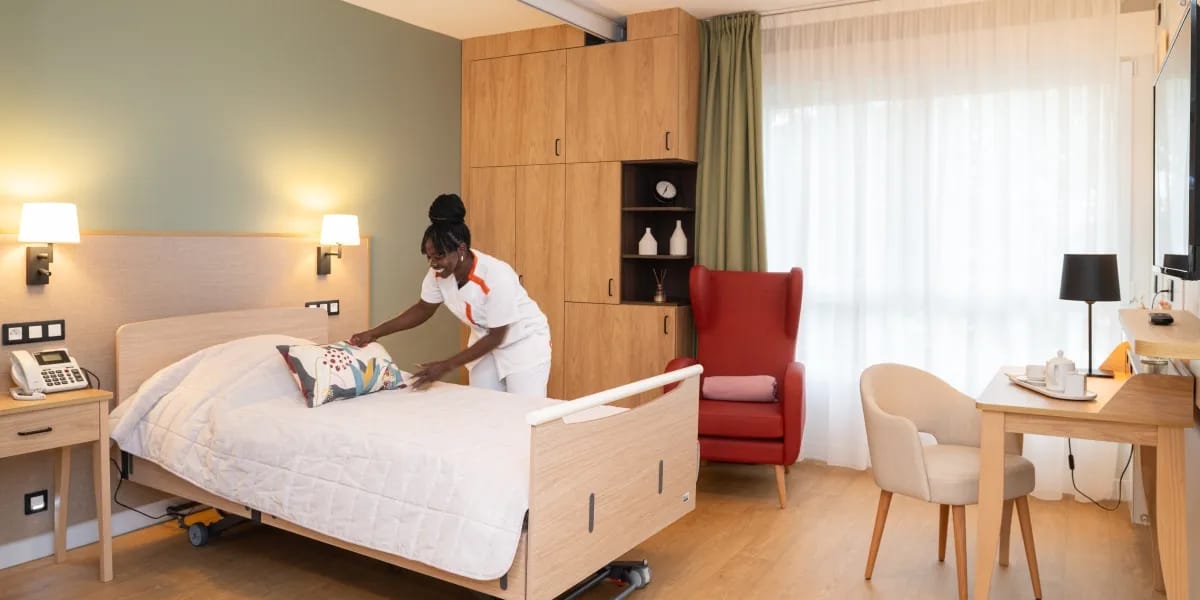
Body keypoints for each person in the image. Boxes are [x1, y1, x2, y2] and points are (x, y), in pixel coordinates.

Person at [349, 194, 552, 395]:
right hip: (484, 341)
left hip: (523, 341)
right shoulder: (438, 274)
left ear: (461, 249)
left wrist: (446, 365)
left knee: (525, 409)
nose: (433, 264)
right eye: (429, 257)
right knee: (482, 403)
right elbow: (422, 309)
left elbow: (497, 336)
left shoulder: (496, 275)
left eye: (439, 256)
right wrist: (373, 333)